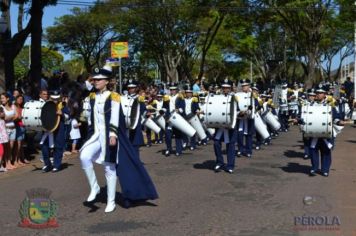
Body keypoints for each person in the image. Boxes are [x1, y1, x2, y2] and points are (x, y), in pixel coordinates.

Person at [79, 66, 120, 213]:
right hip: (95, 134)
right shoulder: (92, 97)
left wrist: (113, 135)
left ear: (107, 81)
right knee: (84, 156)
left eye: (99, 79)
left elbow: (115, 116)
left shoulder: (114, 96)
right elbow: (88, 116)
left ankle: (111, 201)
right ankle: (95, 187)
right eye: (94, 79)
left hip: (109, 135)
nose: (95, 81)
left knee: (109, 167)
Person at [307, 84, 344, 177]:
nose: (318, 94)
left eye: (321, 93)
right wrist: (299, 120)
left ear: (325, 94)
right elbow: (305, 116)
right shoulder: (310, 105)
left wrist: (338, 121)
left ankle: (325, 169)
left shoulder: (329, 106)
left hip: (326, 133)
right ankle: (314, 168)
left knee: (326, 151)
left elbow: (335, 117)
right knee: (313, 151)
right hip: (314, 133)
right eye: (317, 93)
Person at [41, 90, 70, 173]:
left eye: (57, 98)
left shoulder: (62, 105)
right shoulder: (46, 104)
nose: (55, 100)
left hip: (59, 128)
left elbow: (68, 117)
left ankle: (57, 165)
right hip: (47, 128)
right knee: (44, 147)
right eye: (53, 98)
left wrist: (62, 114)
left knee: (58, 147)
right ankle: (47, 164)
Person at [214, 79, 238, 174]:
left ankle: (230, 165)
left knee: (230, 146)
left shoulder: (234, 98)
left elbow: (238, 110)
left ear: (230, 88)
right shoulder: (217, 98)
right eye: (224, 87)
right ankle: (219, 162)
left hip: (230, 126)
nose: (225, 89)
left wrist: (240, 114)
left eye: (227, 88)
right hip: (220, 126)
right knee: (216, 143)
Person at [0, 93, 17, 170]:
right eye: (1, 98)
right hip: (6, 129)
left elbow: (17, 116)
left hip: (13, 128)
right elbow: (5, 118)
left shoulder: (12, 106)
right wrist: (12, 116)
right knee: (7, 148)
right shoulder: (1, 107)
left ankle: (9, 162)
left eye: (3, 98)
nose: (1, 100)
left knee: (11, 147)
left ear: (7, 99)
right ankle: (6, 163)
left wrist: (11, 117)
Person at [0, 107, 9, 172]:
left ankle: (1, 166)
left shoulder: (2, 120)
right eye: (2, 112)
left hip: (2, 139)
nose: (3, 113)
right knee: (1, 152)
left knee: (2, 152)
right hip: (0, 139)